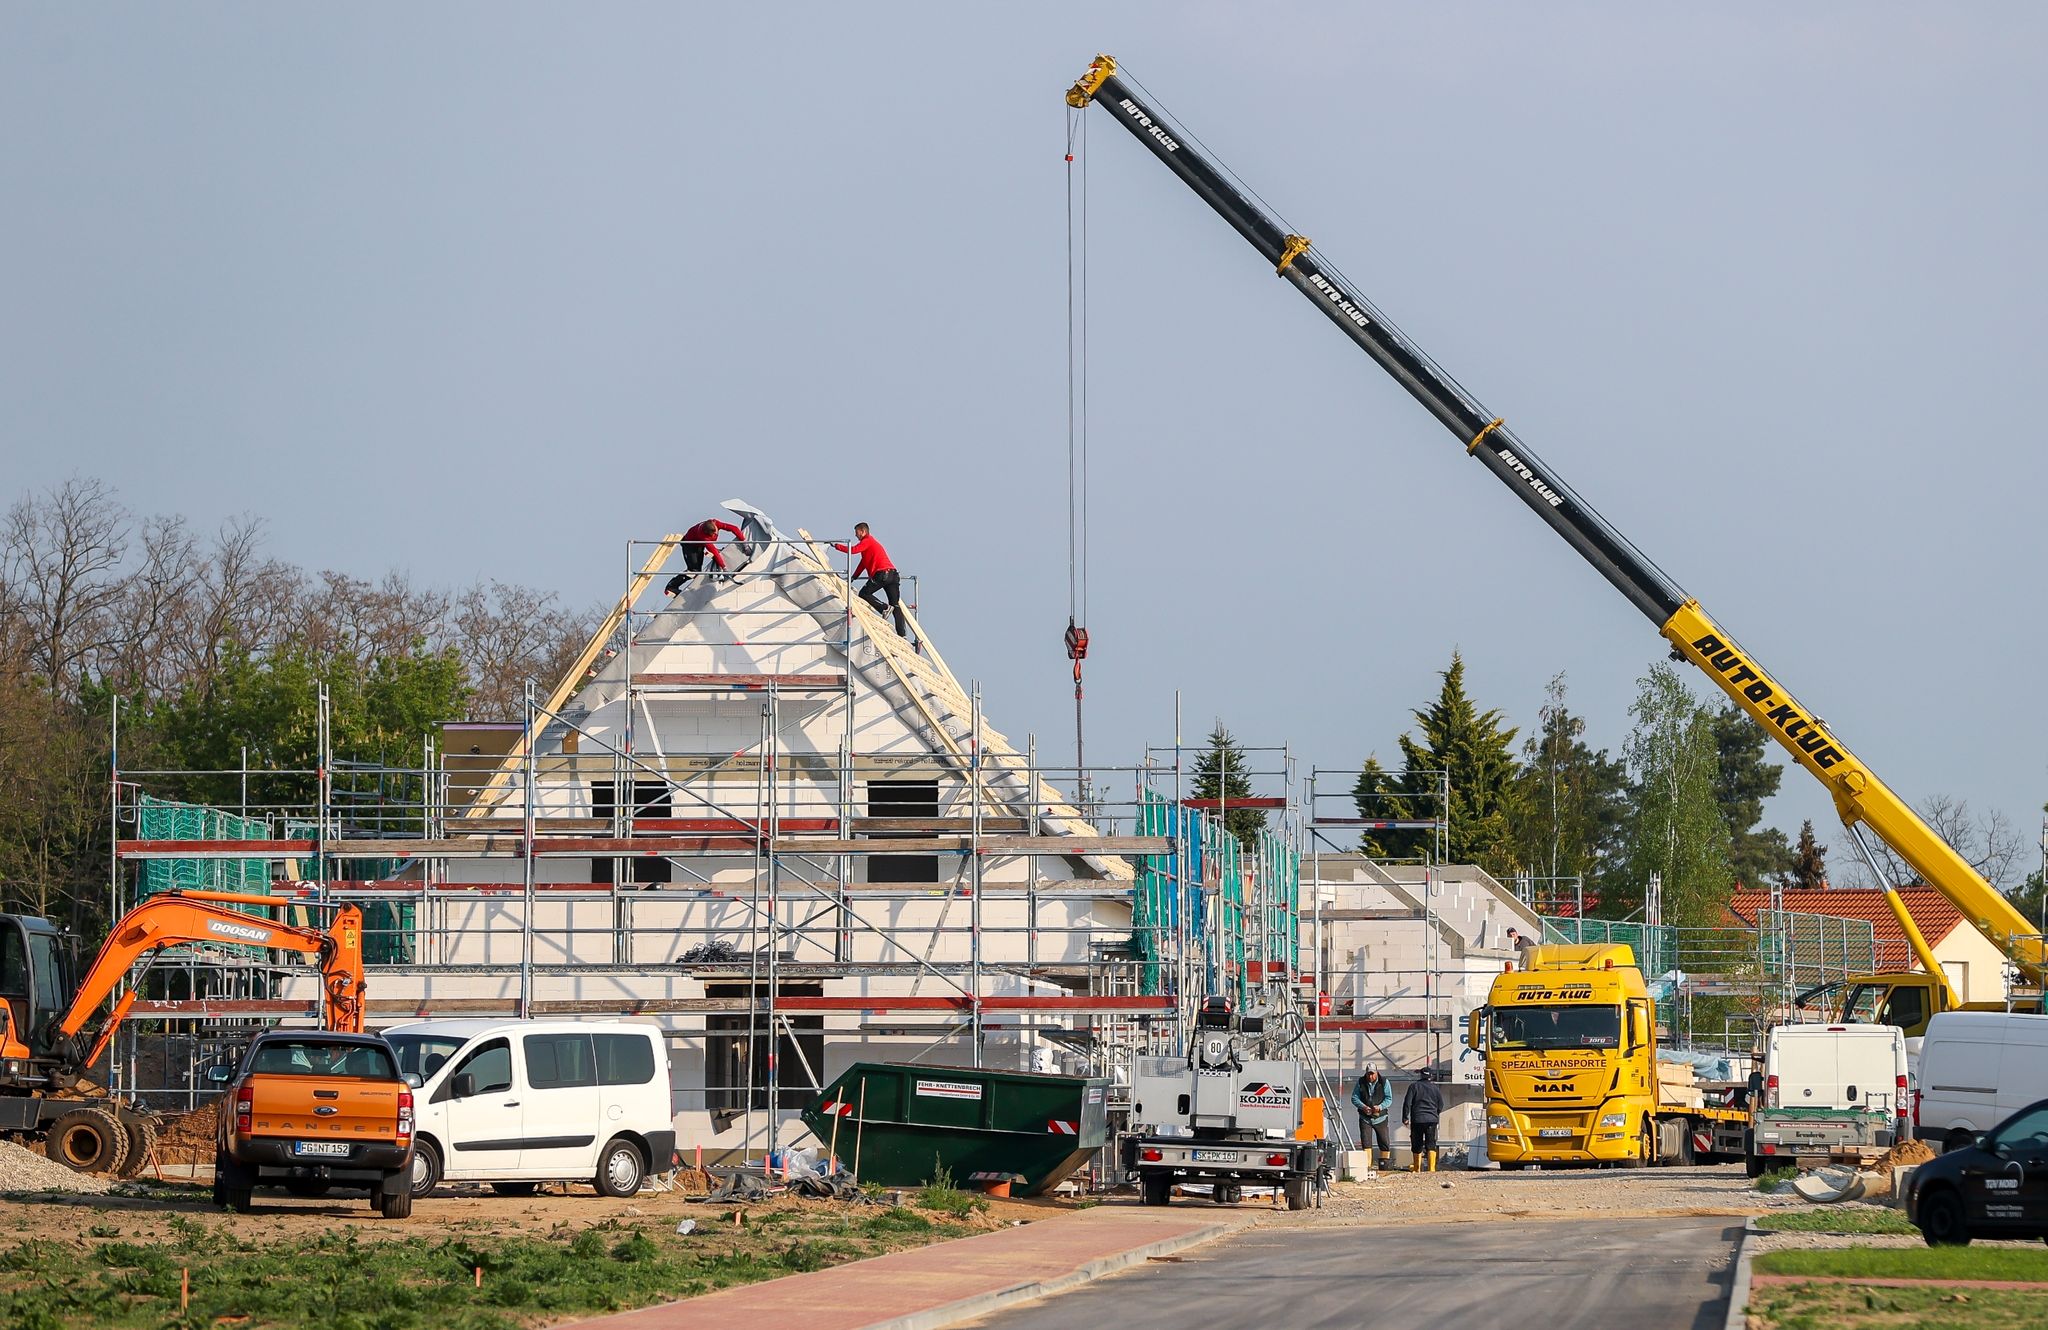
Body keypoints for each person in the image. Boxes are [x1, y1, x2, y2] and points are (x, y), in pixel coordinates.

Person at [832, 522, 909, 639]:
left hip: (882, 574)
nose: (855, 535)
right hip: (893, 575)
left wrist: (837, 546)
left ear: (863, 531)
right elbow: (863, 563)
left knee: (864, 593)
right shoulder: (870, 544)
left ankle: (884, 608)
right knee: (895, 605)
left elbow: (853, 550)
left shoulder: (867, 541)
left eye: (857, 532)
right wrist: (854, 577)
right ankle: (902, 634)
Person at [664, 516, 746, 595]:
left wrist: (744, 543)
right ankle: (671, 586)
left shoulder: (716, 523)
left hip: (699, 545)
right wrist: (724, 567)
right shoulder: (704, 537)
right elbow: (714, 551)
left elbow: (733, 528)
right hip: (689, 546)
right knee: (694, 571)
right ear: (707, 533)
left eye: (716, 533)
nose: (715, 535)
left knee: (698, 570)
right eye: (712, 535)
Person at [1401, 1066, 1445, 1173]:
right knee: (1431, 1144)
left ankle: (1417, 1169)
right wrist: (1435, 1114)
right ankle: (1431, 1169)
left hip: (1417, 1120)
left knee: (1417, 1144)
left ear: (1421, 1075)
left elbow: (1407, 1103)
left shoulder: (1414, 1086)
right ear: (1430, 1076)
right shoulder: (1435, 1088)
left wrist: (1405, 1117)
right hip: (1431, 1120)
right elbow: (1441, 1104)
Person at [1351, 1065, 1393, 1171]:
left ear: (1377, 1072)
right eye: (1368, 1074)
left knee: (1384, 1142)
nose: (1370, 1076)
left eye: (1372, 1074)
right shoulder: (1360, 1082)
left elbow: (1389, 1099)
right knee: (1366, 1142)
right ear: (1366, 1073)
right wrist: (1363, 1107)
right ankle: (1367, 1167)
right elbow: (1354, 1098)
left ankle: (1384, 1167)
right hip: (1365, 1118)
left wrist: (1380, 1107)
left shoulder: (1384, 1082)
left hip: (1381, 1118)